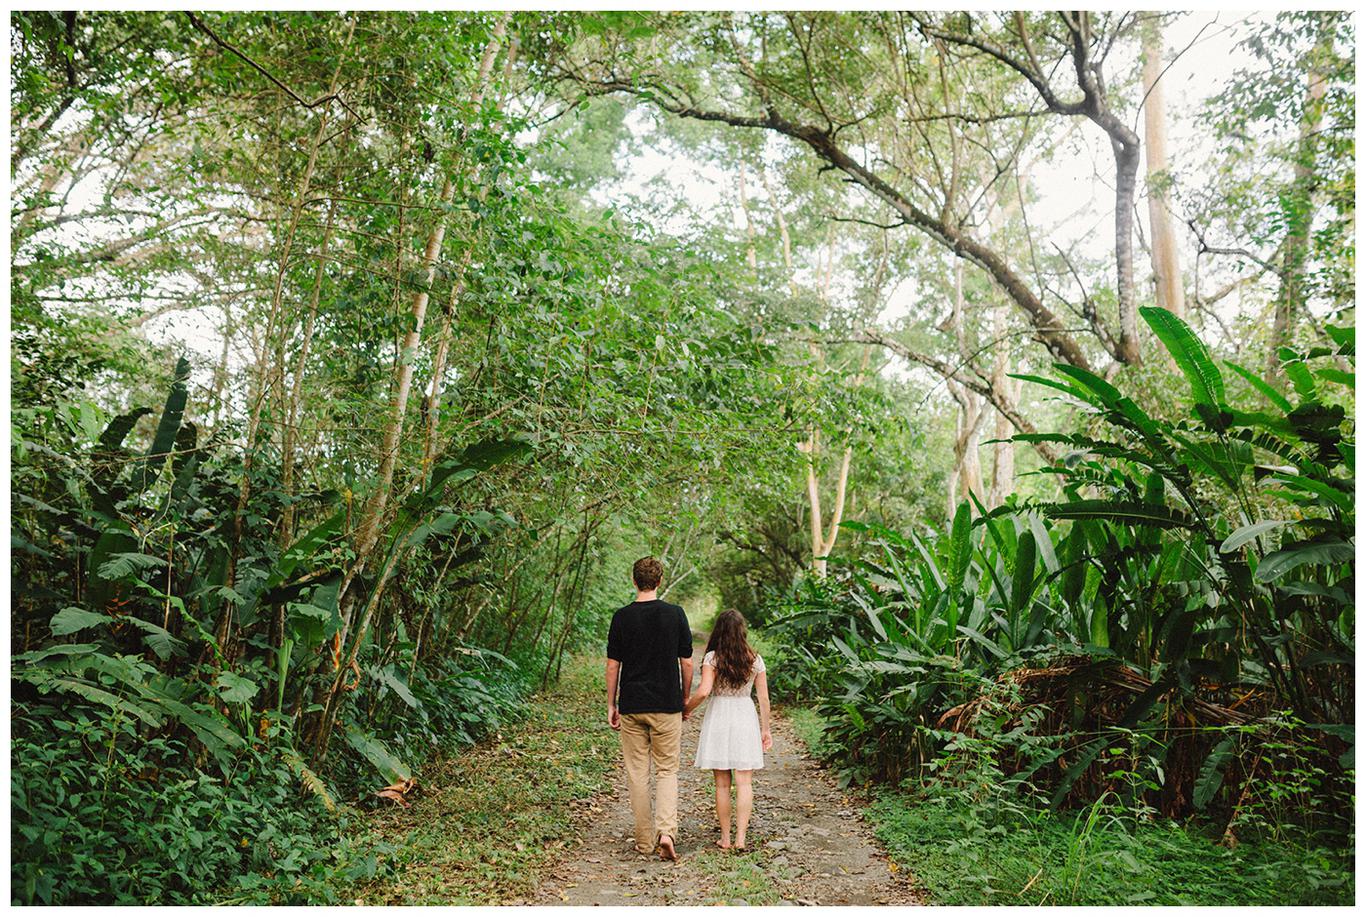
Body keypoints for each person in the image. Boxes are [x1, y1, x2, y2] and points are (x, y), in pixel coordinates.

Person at [605, 556, 693, 861]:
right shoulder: (675, 614)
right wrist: (684, 697)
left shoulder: (621, 617)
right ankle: (666, 832)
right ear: (659, 581)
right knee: (667, 770)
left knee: (637, 773)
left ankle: (643, 841)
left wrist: (611, 703)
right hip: (667, 704)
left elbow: (613, 665)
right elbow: (686, 662)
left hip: (632, 705)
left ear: (634, 581)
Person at [684, 608, 772, 851]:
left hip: (720, 717)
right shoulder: (755, 659)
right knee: (745, 782)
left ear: (719, 631)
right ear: (742, 631)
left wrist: (686, 709)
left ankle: (725, 838)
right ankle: (741, 839)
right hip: (745, 716)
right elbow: (764, 698)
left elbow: (703, 691)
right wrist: (766, 729)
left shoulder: (713, 658)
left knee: (722, 783)